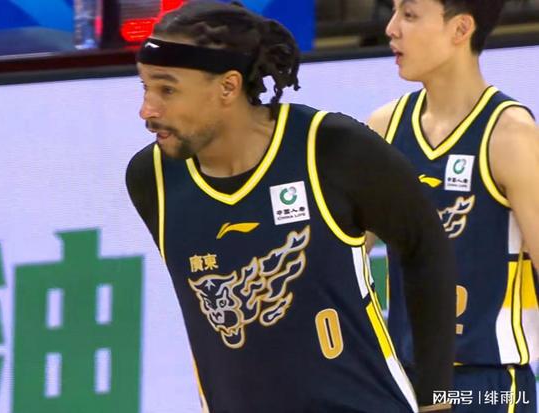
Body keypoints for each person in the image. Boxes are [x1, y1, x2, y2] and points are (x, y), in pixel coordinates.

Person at [126, 1, 457, 411]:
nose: (147, 110)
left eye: (167, 90)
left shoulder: (331, 148)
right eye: (144, 87)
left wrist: (436, 399)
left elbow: (426, 247)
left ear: (228, 87)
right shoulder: (152, 179)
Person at [368, 1, 539, 411]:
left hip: (486, 384)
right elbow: (343, 258)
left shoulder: (510, 134)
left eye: (409, 15)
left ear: (461, 29)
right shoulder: (384, 127)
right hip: (404, 380)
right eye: (393, 11)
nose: (391, 28)